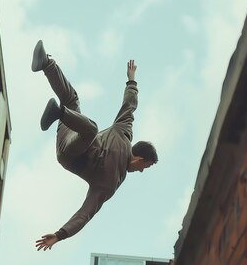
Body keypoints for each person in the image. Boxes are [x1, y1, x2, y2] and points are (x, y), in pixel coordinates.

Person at [32, 40, 158, 251]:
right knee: (72, 100)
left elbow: (86, 212)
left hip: (70, 154)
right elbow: (130, 105)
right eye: (145, 167)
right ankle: (46, 64)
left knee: (90, 128)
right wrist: (131, 81)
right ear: (140, 159)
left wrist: (60, 234)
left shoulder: (110, 182)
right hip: (72, 135)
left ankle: (58, 112)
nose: (141, 171)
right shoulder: (123, 135)